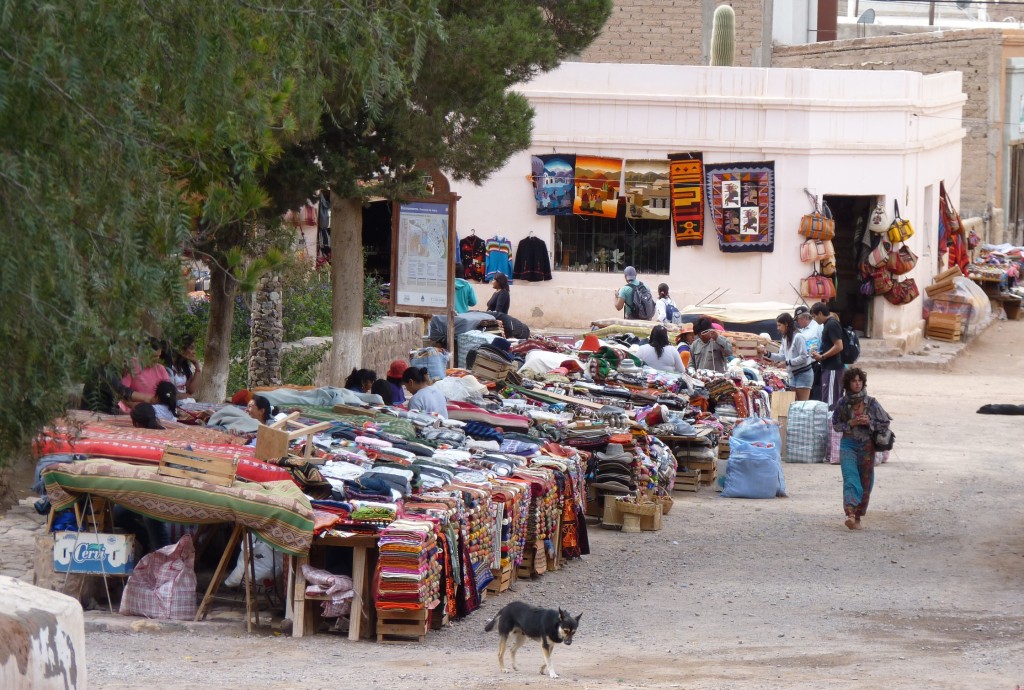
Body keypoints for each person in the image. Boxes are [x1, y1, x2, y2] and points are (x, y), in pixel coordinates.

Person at [831, 368, 891, 530]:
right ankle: (850, 513)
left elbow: (885, 423)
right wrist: (851, 423)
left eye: (859, 381)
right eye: (853, 381)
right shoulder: (842, 403)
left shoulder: (871, 403)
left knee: (866, 481)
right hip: (848, 445)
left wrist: (869, 422)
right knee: (850, 478)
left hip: (867, 447)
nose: (857, 384)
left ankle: (858, 516)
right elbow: (835, 424)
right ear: (848, 384)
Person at [758, 312, 814, 401]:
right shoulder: (785, 338)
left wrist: (787, 363)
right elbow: (782, 356)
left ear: (786, 324)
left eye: (779, 325)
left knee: (802, 404)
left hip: (803, 374)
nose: (778, 328)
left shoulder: (798, 337)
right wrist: (767, 353)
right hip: (792, 374)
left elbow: (804, 357)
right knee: (793, 403)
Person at [809, 302, 844, 411]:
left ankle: (831, 421)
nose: (814, 319)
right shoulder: (827, 324)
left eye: (814, 316)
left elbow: (839, 346)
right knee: (827, 399)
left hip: (832, 368)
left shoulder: (832, 324)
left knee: (830, 402)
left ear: (820, 313)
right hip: (828, 368)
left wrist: (822, 356)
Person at [795, 305, 823, 402]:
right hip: (804, 365)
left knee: (815, 392)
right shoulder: (802, 330)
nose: (797, 322)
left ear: (804, 318)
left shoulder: (818, 327)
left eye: (797, 319)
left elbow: (824, 344)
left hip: (815, 364)